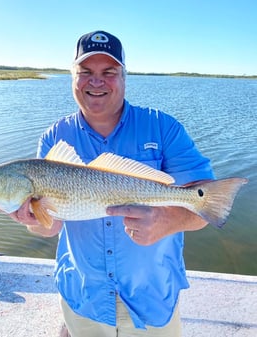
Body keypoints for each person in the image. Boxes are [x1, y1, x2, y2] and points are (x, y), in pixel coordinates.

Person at [12, 30, 214, 336]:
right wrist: (30, 217)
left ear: (124, 76)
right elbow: (49, 227)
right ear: (73, 77)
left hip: (153, 297)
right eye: (86, 72)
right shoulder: (54, 138)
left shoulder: (163, 128)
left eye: (108, 72)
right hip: (84, 298)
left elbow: (208, 204)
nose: (96, 81)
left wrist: (169, 221)